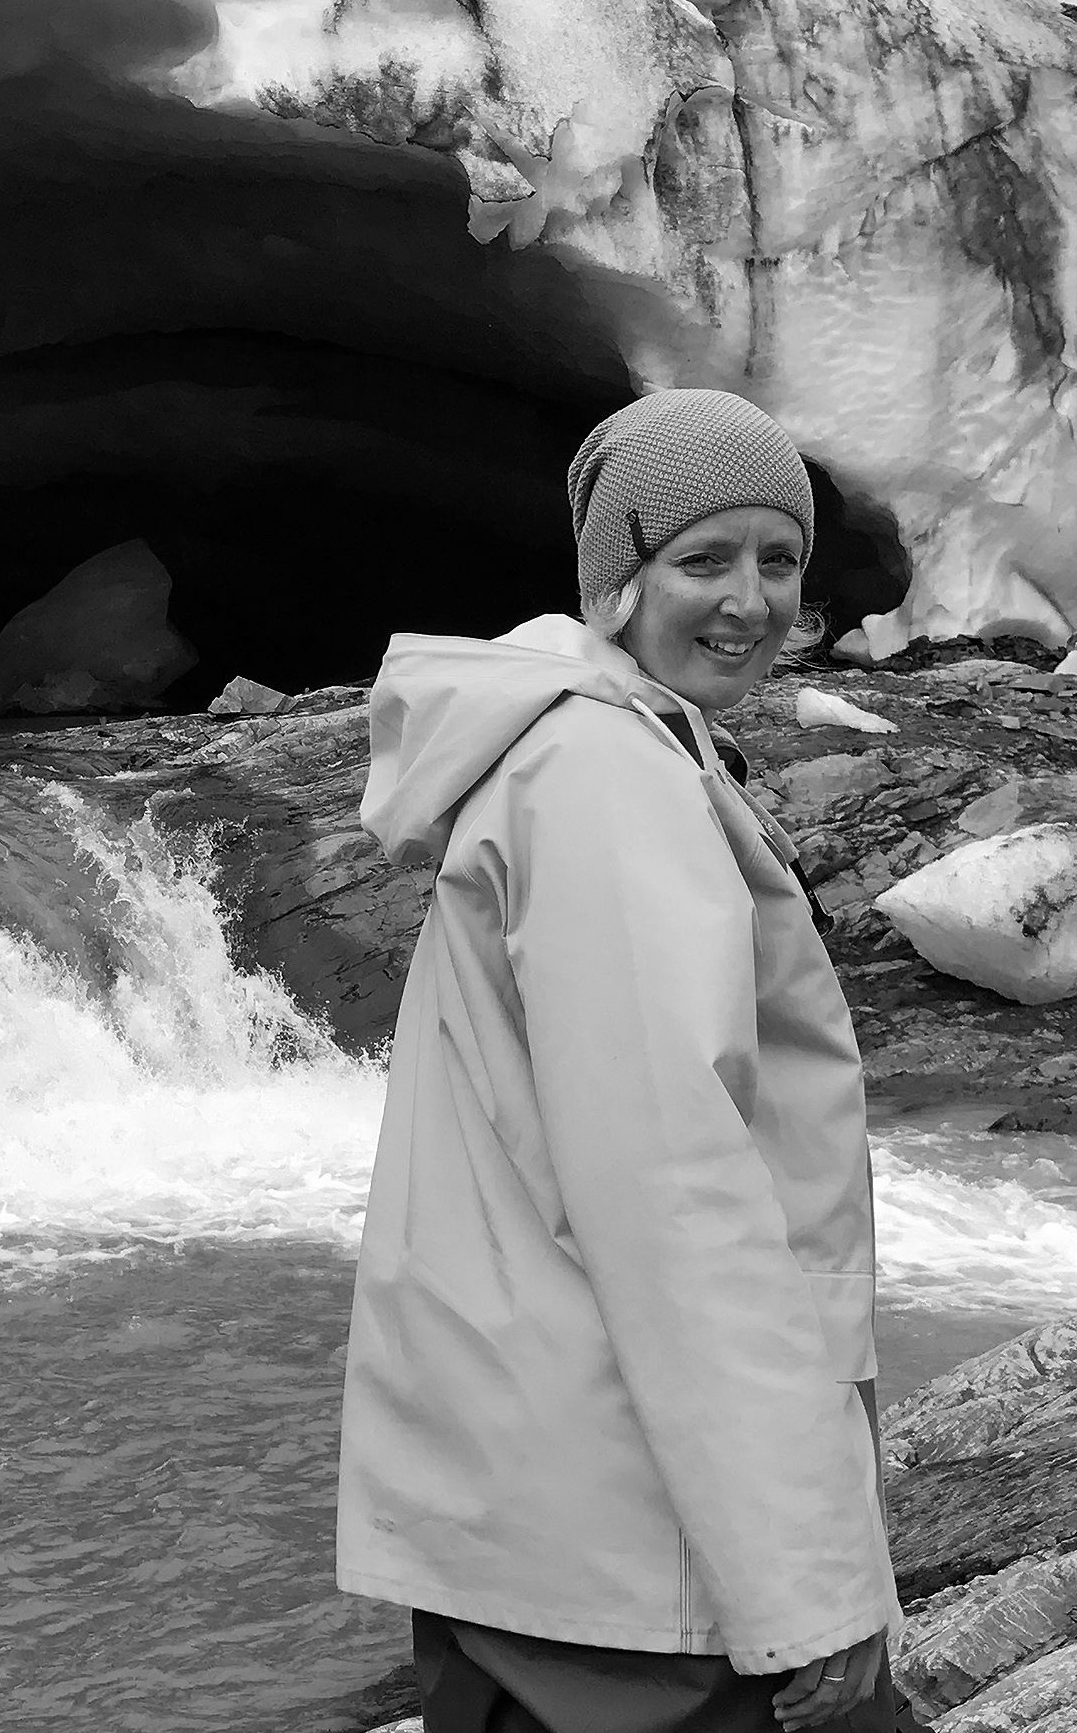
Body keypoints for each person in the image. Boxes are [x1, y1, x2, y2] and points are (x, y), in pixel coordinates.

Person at [338, 388, 902, 1733]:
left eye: (777, 559)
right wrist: (806, 1587)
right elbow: (673, 1195)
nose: (749, 601)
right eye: (700, 560)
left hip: (541, 1508)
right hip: (618, 1542)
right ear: (613, 584)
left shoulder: (588, 751)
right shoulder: (605, 783)